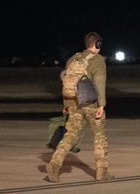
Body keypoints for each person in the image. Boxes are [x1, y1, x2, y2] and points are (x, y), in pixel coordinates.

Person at [47, 32, 111, 182]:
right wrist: (101, 104)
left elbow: (67, 83)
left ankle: (55, 163)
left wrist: (66, 104)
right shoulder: (97, 60)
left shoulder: (72, 59)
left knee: (70, 135)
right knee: (99, 136)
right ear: (98, 44)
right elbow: (99, 84)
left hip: (74, 104)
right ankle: (102, 172)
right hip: (91, 104)